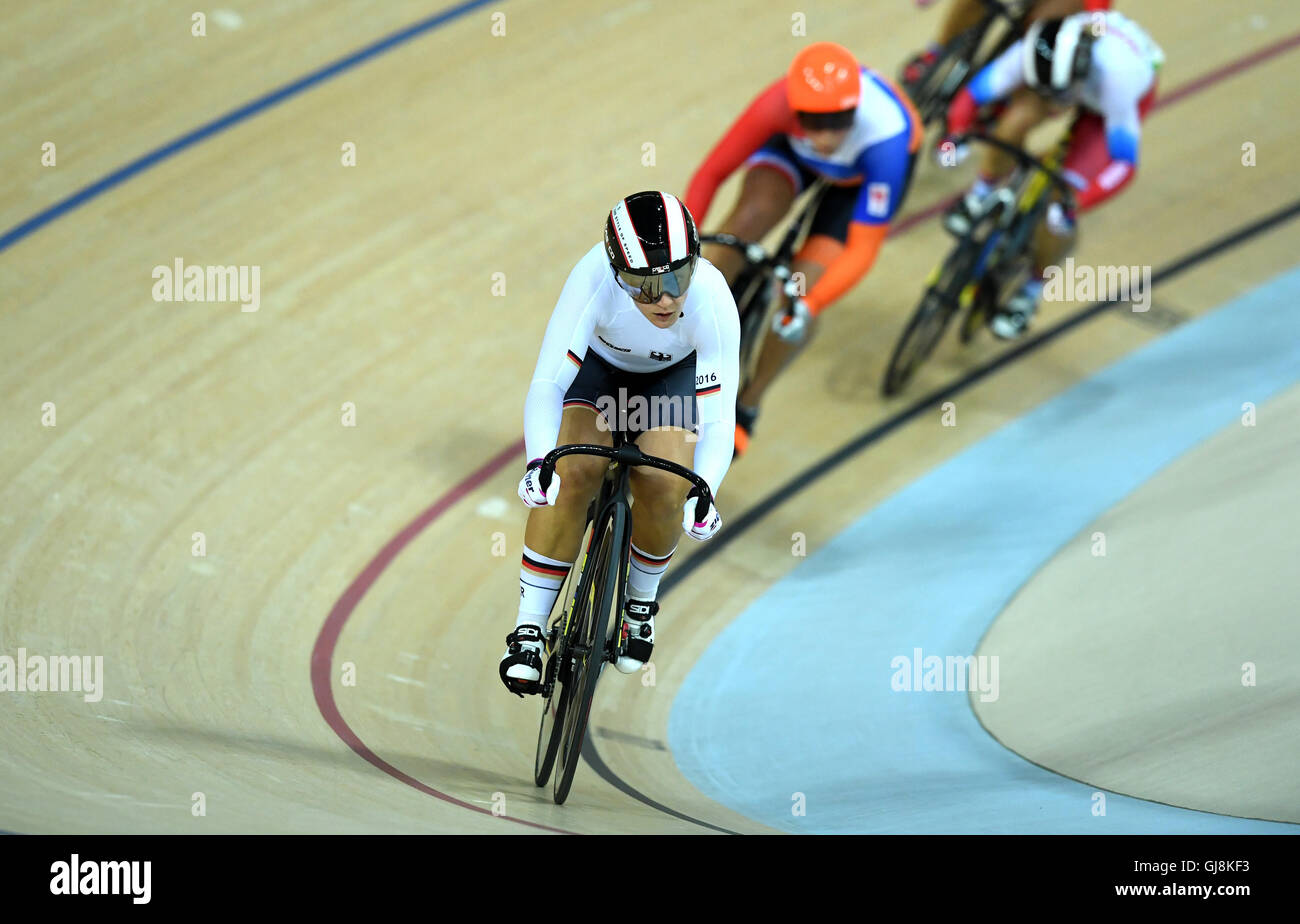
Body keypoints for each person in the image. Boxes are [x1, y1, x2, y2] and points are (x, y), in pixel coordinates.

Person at [500, 191, 740, 696]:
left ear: (693, 262)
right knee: (571, 476)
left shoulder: (713, 297)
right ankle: (527, 632)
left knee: (665, 483)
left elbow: (720, 421)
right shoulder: (591, 277)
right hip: (598, 373)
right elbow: (548, 385)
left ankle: (639, 604)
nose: (667, 299)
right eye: (643, 288)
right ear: (617, 275)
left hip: (669, 381)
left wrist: (706, 490)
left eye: (677, 278)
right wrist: (539, 461)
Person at [685, 42, 921, 456]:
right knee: (745, 220)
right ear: (795, 110)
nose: (827, 136)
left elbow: (863, 248)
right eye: (814, 121)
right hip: (792, 157)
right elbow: (712, 173)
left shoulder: (887, 140)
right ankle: (677, 321)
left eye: (839, 121)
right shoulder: (776, 104)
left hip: (858, 184)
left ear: (856, 109)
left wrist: (809, 305)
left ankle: (749, 402)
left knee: (800, 294)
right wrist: (681, 248)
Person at [943, 9, 1163, 338]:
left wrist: (1078, 201)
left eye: (1061, 96)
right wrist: (953, 140)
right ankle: (981, 194)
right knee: (1011, 126)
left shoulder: (1119, 80)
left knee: (1060, 204)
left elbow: (1124, 164)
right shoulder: (1033, 51)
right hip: (1059, 78)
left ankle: (1031, 292)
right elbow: (972, 96)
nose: (1057, 106)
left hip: (1106, 104)